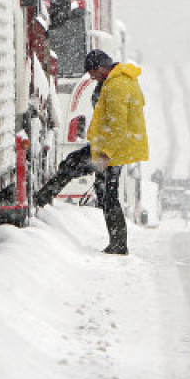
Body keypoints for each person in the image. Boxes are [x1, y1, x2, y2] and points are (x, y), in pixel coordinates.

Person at [33, 49, 149, 255]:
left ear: (101, 67)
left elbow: (117, 125)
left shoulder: (117, 85)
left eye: (92, 72)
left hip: (112, 149)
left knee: (78, 170)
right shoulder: (114, 80)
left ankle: (40, 201)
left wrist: (105, 154)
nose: (91, 77)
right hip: (111, 146)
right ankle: (118, 242)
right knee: (104, 191)